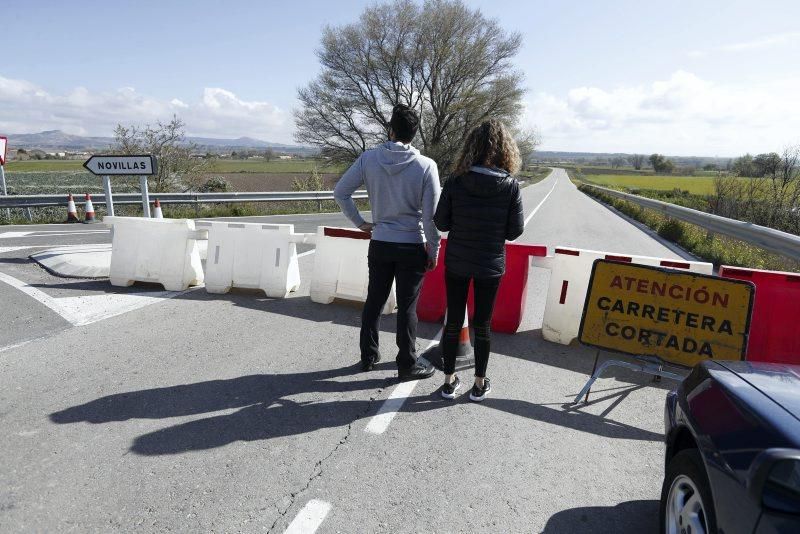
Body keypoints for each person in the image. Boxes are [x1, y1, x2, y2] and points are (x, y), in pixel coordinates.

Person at [334, 104, 442, 381]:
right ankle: (407, 363)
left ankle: (368, 356)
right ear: (414, 134)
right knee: (407, 307)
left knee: (375, 300)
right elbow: (431, 217)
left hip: (380, 242)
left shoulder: (368, 159)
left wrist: (360, 222)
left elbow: (341, 192)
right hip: (412, 245)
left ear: (390, 130)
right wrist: (434, 249)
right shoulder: (426, 166)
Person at [433, 119, 525, 401]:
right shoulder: (510, 186)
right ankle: (479, 383)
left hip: (458, 261)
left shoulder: (456, 181)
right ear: (505, 150)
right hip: (490, 265)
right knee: (483, 324)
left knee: (452, 322)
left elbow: (441, 222)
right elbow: (515, 231)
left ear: (470, 146)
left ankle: (449, 382)